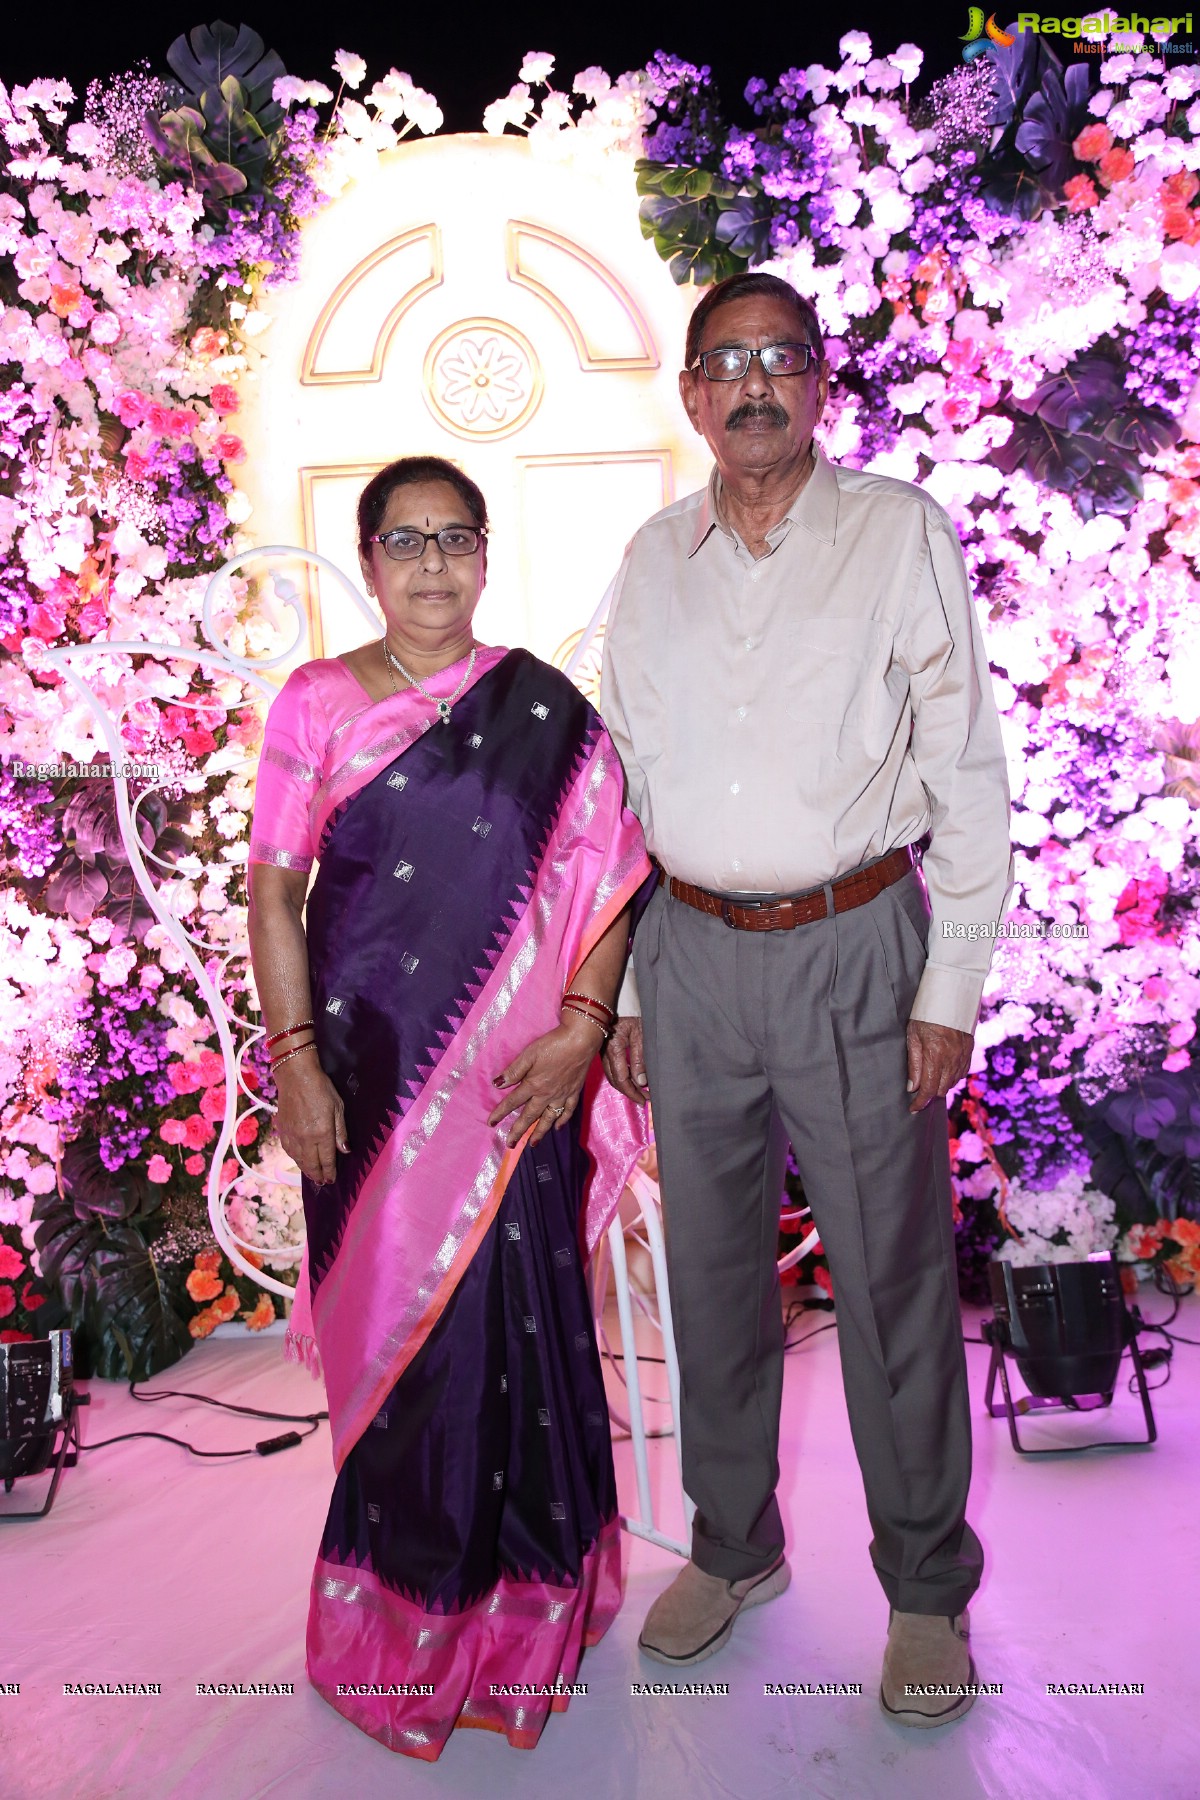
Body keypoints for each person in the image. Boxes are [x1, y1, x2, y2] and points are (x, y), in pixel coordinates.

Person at [600, 272, 1012, 1727]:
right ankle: (735, 1548)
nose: (754, 383)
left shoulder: (897, 533)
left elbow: (963, 768)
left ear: (821, 383)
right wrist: (636, 982)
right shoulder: (653, 559)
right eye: (726, 362)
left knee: (892, 1280)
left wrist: (948, 980)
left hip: (856, 945)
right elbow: (625, 784)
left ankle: (922, 1588)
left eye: (782, 357)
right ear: (693, 396)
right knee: (711, 1274)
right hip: (691, 955)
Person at [247, 455, 652, 1759]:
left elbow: (611, 883)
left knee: (521, 1345)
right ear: (368, 563)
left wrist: (582, 1030)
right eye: (405, 542)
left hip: (509, 1088)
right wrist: (296, 1060)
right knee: (400, 1360)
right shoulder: (312, 704)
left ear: (486, 557)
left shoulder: (544, 708)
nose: (432, 565)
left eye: (456, 539)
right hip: (363, 1088)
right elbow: (272, 894)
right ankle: (399, 1628)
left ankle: (530, 1611)